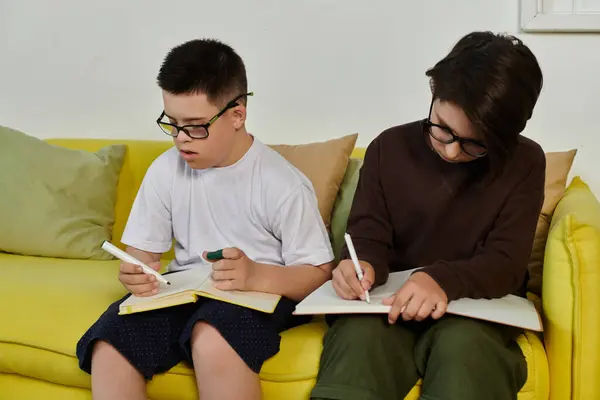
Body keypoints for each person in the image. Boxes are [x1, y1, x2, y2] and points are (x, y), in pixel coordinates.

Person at [76, 38, 334, 400]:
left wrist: (256, 275)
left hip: (261, 294)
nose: (182, 139)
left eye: (196, 126)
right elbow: (141, 256)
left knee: (213, 337)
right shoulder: (165, 170)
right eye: (173, 124)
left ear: (237, 115)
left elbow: (318, 274)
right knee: (109, 345)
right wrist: (136, 271)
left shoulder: (282, 183)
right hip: (184, 290)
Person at [310, 31, 545, 400]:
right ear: (433, 92)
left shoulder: (525, 162)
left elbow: (506, 262)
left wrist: (440, 279)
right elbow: (368, 234)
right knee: (358, 344)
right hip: (388, 309)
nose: (451, 153)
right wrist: (362, 267)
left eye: (474, 144)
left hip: (476, 313)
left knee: (466, 352)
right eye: (442, 129)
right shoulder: (388, 148)